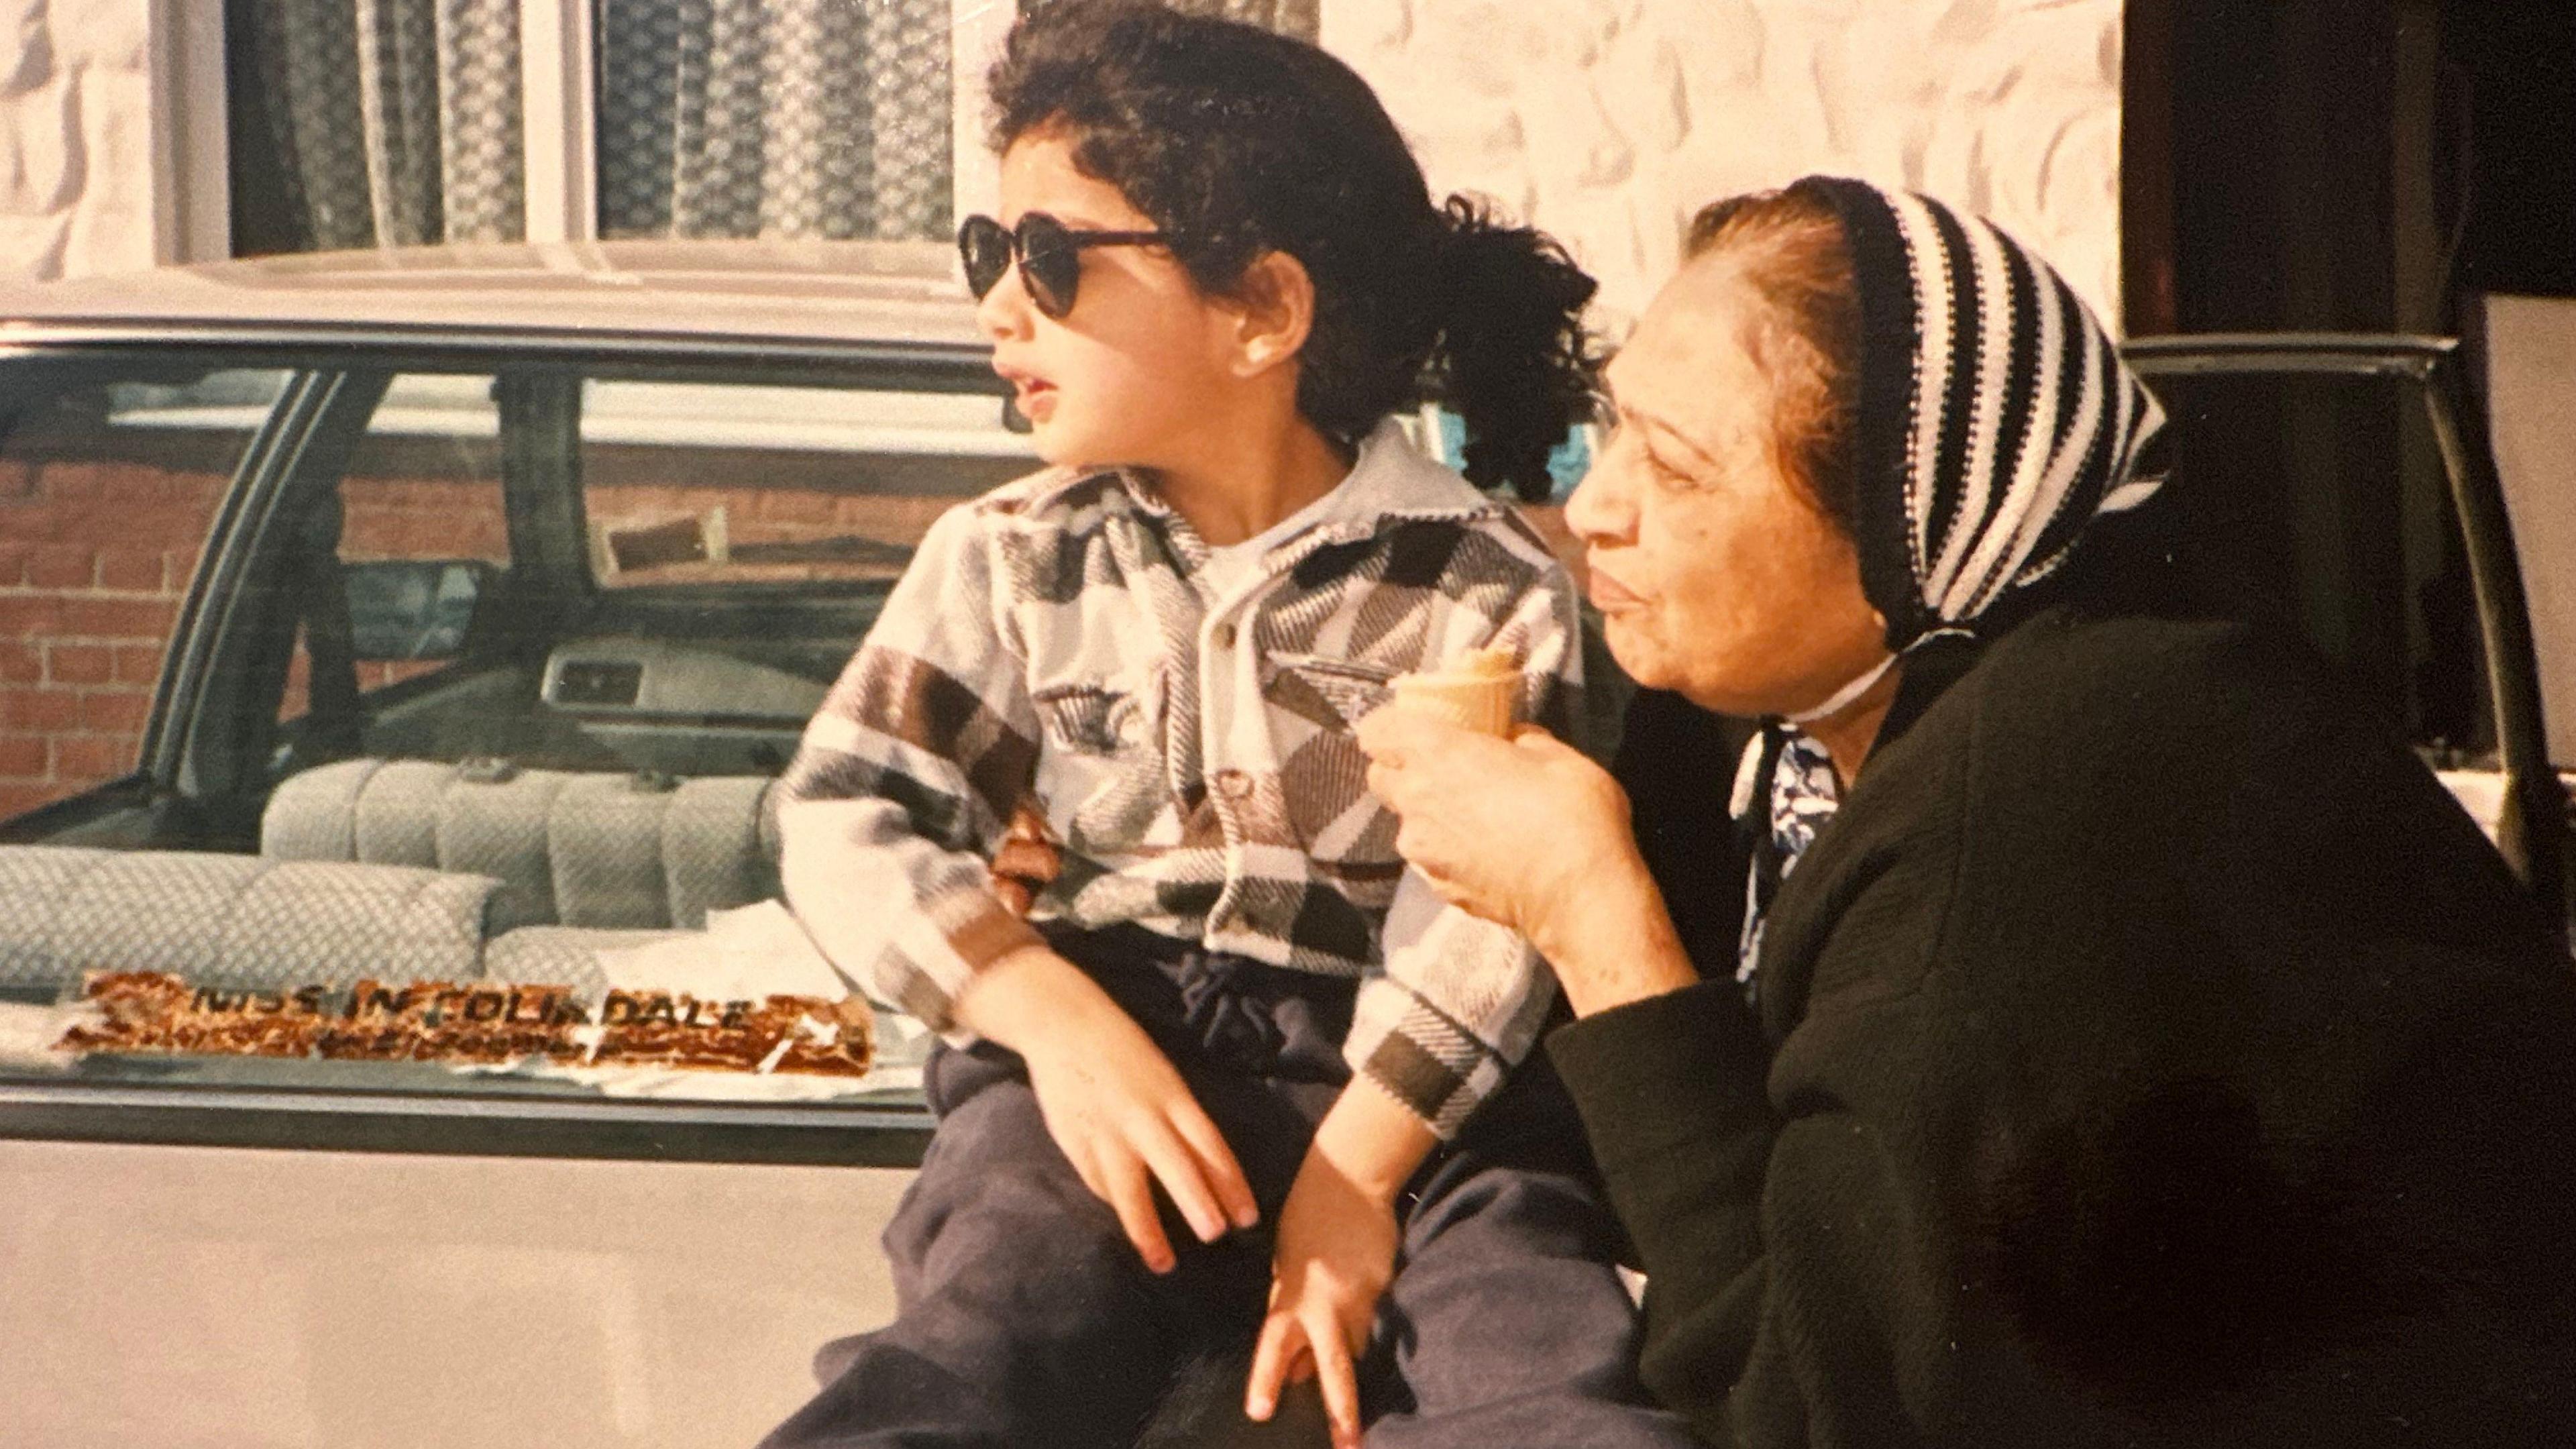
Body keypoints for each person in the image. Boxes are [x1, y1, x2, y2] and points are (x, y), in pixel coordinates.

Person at [1356, 176, 2576, 1447]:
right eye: (1612, 429)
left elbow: (1811, 1413)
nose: (1595, 507)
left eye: (1672, 464)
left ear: (1909, 526)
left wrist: (1588, 912)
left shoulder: (2052, 803)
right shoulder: (1815, 735)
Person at [759, 4, 1693, 1447]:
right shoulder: (1008, 558)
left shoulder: (1479, 588)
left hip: (1422, 1098)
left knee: (1540, 1357)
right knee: (986, 1326)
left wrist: (1354, 1180)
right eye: (987, 252)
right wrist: (1044, 1014)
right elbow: (842, 810)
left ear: (1263, 309)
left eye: (1052, 259)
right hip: (1116, 1042)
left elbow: (1488, 923)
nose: (1000, 306)